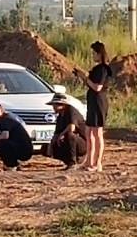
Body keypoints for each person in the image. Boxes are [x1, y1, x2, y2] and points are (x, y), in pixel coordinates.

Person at [74, 41, 113, 173]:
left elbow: (97, 87)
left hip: (99, 103)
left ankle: (98, 163)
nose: (92, 56)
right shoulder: (96, 69)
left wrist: (86, 78)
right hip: (92, 102)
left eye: (94, 53)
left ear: (99, 53)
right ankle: (89, 161)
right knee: (88, 131)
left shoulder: (103, 69)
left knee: (97, 133)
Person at [46, 94, 87, 170]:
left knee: (70, 135)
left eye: (56, 105)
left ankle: (73, 161)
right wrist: (52, 143)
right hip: (70, 141)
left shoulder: (71, 111)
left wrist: (61, 134)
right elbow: (56, 132)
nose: (54, 107)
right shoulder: (60, 115)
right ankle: (68, 162)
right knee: (55, 143)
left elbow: (72, 127)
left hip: (82, 143)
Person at [0, 101, 34, 171]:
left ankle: (11, 165)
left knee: (0, 143)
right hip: (18, 146)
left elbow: (5, 135)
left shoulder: (6, 119)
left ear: (1, 110)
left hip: (24, 149)